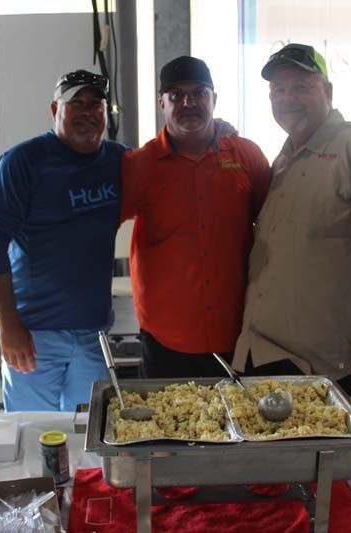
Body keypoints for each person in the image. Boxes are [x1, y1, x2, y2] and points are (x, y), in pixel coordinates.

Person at [231, 43, 351, 403]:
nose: (288, 98)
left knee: (333, 460)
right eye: (278, 90)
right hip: (266, 354)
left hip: (330, 367)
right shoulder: (285, 157)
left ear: (328, 91)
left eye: (301, 86)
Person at [0, 70, 125, 411]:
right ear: (54, 109)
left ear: (106, 113)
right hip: (34, 335)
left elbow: (166, 163)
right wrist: (8, 325)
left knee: (90, 436)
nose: (87, 112)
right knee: (33, 437)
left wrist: (218, 134)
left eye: (96, 104)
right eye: (77, 103)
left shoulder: (120, 161)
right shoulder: (24, 162)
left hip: (94, 333)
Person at [121, 56, 271, 378]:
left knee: (237, 426)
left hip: (239, 334)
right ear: (161, 103)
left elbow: (277, 227)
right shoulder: (139, 165)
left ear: (214, 99)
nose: (188, 102)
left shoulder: (246, 155)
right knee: (170, 429)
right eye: (176, 95)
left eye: (199, 92)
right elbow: (94, 226)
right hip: (165, 339)